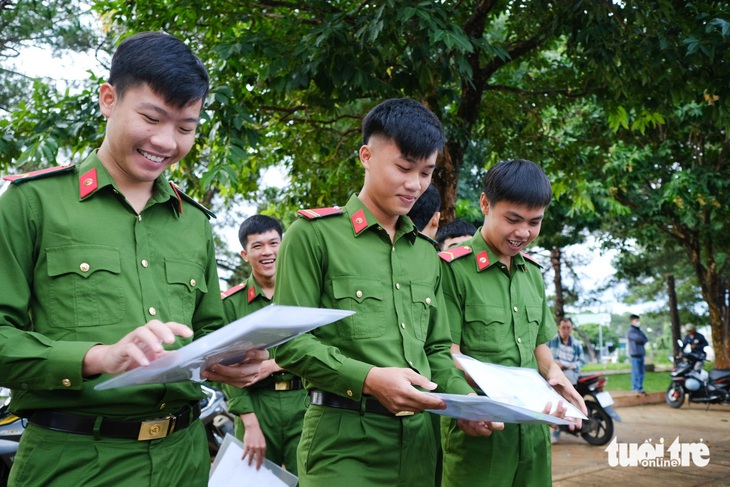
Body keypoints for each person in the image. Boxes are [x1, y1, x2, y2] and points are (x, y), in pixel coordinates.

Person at [0, 31, 265, 486]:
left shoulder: (193, 223)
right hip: (75, 461)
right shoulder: (32, 203)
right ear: (108, 99)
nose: (166, 142)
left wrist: (227, 359)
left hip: (184, 456)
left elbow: (204, 331)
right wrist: (99, 357)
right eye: (152, 118)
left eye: (185, 127)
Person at [272, 98, 496, 486]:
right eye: (403, 167)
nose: (415, 185)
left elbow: (437, 350)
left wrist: (465, 402)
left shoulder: (427, 256)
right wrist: (369, 378)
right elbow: (289, 344)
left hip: (420, 444)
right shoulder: (313, 236)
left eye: (426, 172)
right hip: (342, 444)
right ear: (366, 156)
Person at [439, 159, 586, 486]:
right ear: (485, 204)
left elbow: (538, 345)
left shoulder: (532, 274)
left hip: (533, 434)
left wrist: (556, 375)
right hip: (481, 432)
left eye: (535, 222)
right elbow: (445, 351)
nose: (524, 232)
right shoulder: (452, 269)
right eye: (513, 219)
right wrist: (468, 403)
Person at [220, 215, 306, 474]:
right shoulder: (230, 303)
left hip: (304, 401)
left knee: (310, 477)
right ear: (245, 254)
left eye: (274, 243)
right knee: (251, 478)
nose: (267, 252)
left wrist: (273, 364)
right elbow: (224, 367)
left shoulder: (306, 295)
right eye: (257, 246)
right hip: (255, 405)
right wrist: (250, 425)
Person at [546, 317, 585, 444]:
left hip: (570, 375)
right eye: (563, 327)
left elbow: (581, 361)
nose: (565, 330)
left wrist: (566, 365)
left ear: (572, 329)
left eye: (568, 328)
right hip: (552, 376)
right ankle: (555, 427)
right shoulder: (551, 342)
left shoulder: (577, 344)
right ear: (559, 328)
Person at [627, 313, 649, 395]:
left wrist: (641, 339)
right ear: (632, 321)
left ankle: (640, 388)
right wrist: (641, 339)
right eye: (636, 320)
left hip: (641, 354)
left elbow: (645, 339)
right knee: (636, 372)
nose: (637, 322)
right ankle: (635, 388)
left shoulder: (638, 330)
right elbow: (639, 339)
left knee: (641, 372)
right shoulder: (630, 331)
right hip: (635, 355)